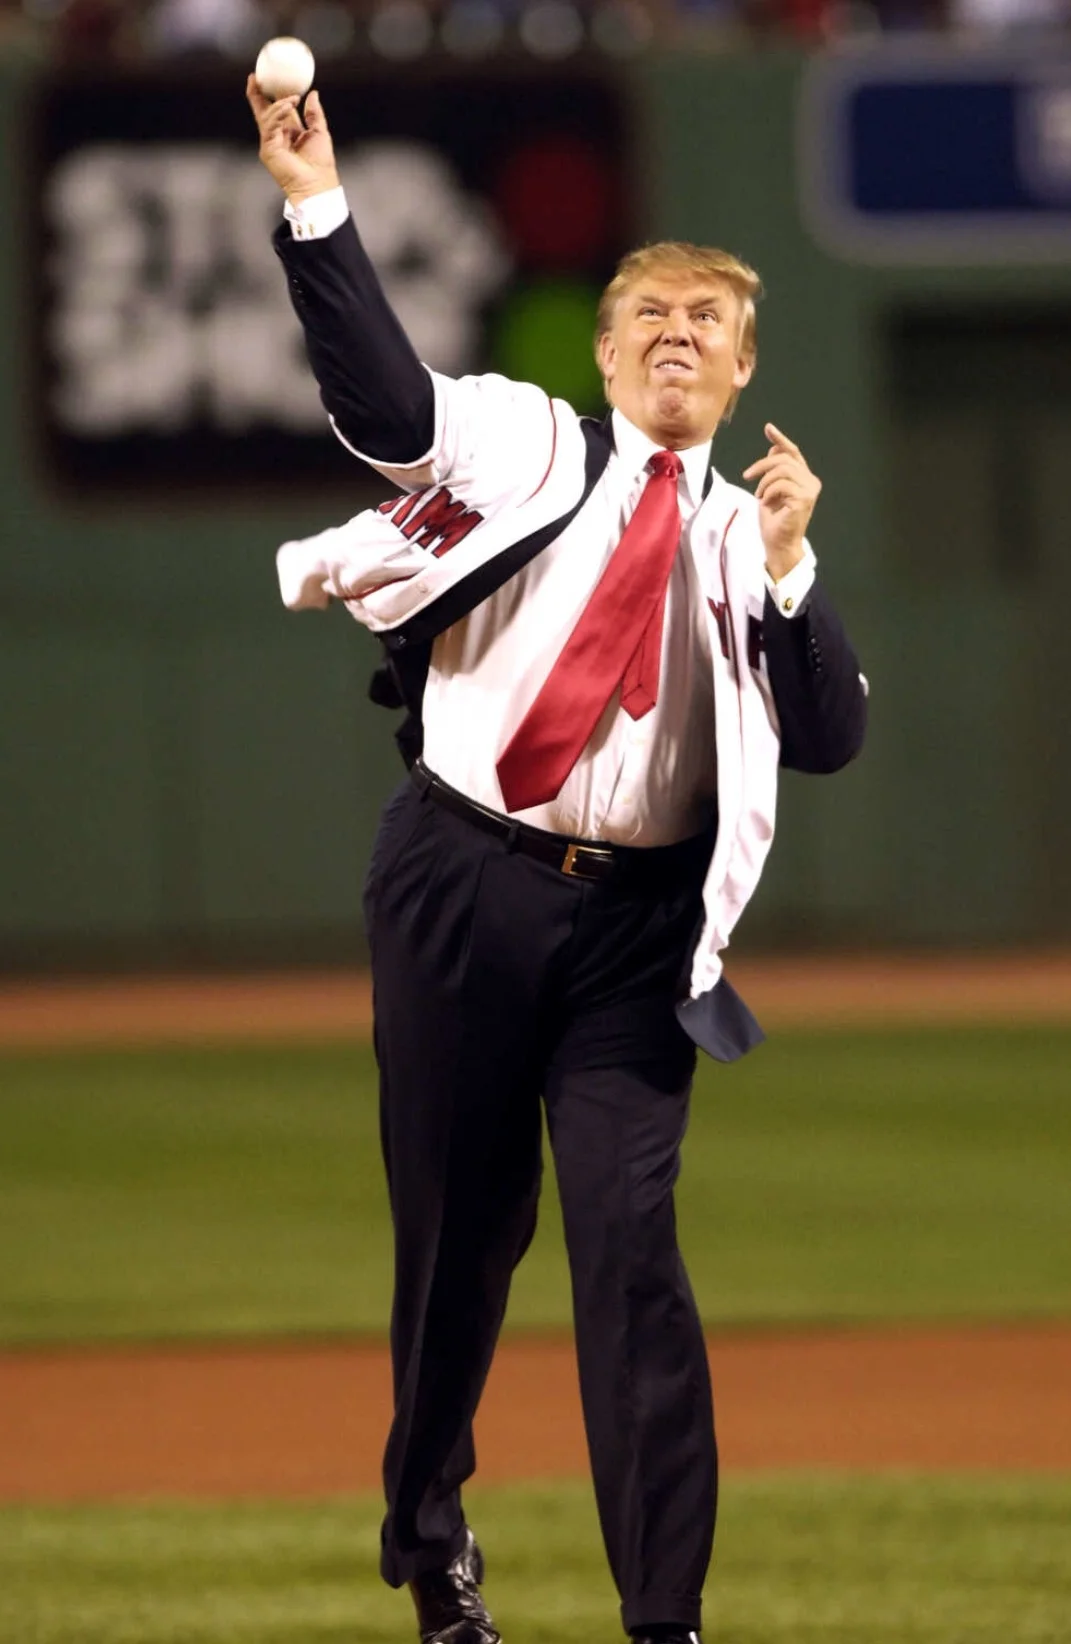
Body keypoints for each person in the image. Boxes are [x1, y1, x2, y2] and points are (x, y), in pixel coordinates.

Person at [248, 75, 868, 1644]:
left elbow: (832, 733)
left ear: (743, 367)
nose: (678, 329)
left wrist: (794, 574)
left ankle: (664, 1618)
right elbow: (390, 409)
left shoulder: (750, 538)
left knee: (629, 1248)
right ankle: (429, 1527)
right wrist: (318, 209)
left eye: (710, 318)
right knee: (458, 1248)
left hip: (637, 940)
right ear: (603, 351)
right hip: (466, 879)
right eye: (650, 308)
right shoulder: (530, 445)